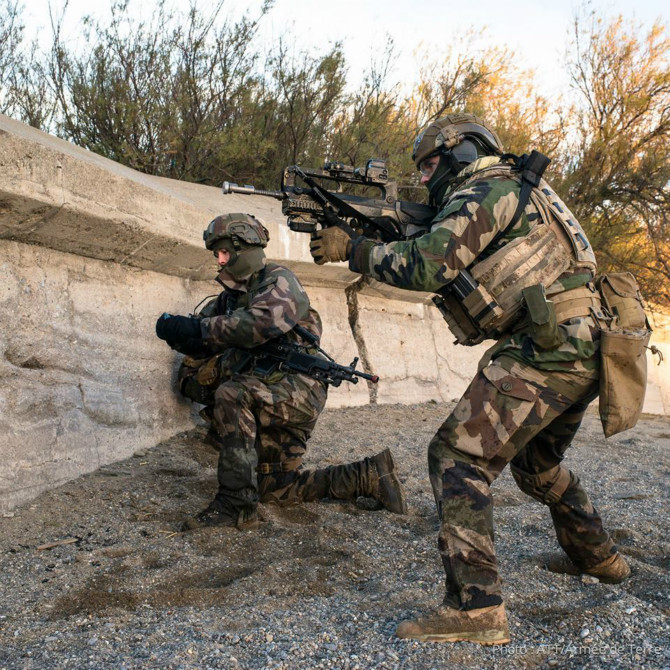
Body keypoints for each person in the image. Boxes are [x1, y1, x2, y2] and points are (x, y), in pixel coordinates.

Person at [309, 113, 630, 645]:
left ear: (462, 152)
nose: (428, 175)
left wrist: (357, 249)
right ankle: (601, 560)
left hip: (550, 347)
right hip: (587, 343)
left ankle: (477, 608)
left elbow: (430, 266)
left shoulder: (487, 188)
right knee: (538, 466)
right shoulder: (521, 188)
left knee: (458, 456)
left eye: (432, 162)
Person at [155, 212, 407, 532]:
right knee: (275, 490)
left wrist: (195, 328)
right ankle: (368, 475)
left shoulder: (279, 281)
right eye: (216, 253)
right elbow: (206, 339)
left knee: (231, 394)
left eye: (224, 252)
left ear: (244, 249)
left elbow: (255, 327)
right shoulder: (229, 299)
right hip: (271, 387)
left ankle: (234, 507)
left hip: (299, 389)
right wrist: (179, 334)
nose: (219, 261)